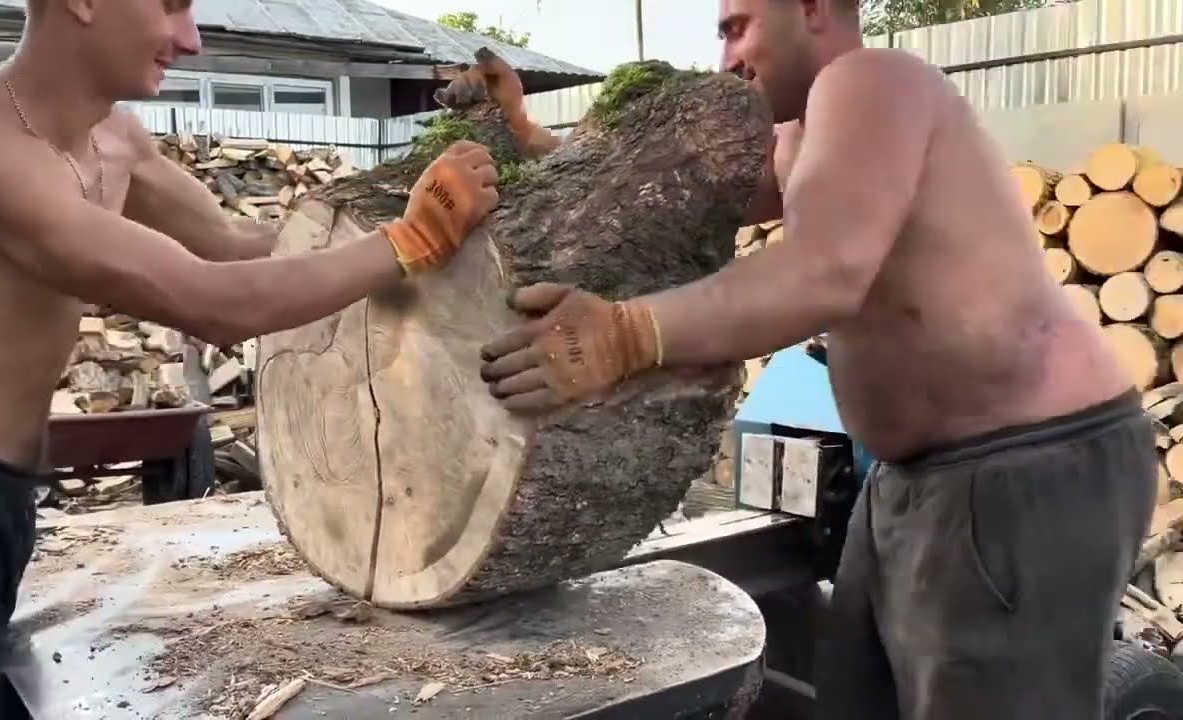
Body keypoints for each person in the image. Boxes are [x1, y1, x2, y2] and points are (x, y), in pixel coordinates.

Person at [451, 3, 1156, 719]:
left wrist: (627, 334)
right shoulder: (799, 132)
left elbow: (827, 271)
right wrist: (525, 133)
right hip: (919, 479)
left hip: (1021, 465)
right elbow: (670, 198)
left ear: (814, 8)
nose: (726, 59)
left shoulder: (872, 81)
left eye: (739, 26)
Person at [0, 0, 498, 717]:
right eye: (172, 6)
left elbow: (239, 247)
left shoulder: (117, 141)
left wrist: (413, 207)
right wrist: (409, 242)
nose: (188, 40)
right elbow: (215, 301)